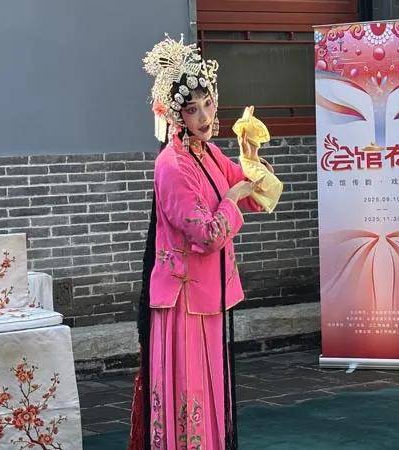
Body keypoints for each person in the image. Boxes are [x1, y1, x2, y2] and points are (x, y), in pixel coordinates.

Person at [128, 35, 272, 450]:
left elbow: (257, 195)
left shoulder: (207, 154)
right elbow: (207, 234)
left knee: (210, 391)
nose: (205, 115)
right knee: (189, 392)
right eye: (192, 109)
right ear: (177, 115)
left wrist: (249, 154)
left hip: (206, 294)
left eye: (208, 103)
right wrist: (231, 198)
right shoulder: (172, 165)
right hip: (182, 301)